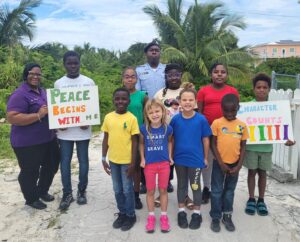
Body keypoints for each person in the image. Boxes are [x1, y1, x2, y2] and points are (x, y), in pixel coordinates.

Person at [6, 63, 60, 210]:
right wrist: (38, 115)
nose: (36, 76)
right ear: (26, 74)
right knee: (30, 171)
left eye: (38, 74)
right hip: (27, 143)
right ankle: (31, 198)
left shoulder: (42, 92)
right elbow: (12, 117)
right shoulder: (20, 94)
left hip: (48, 139)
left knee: (52, 165)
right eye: (32, 73)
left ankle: (42, 191)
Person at [244, 73, 295, 216]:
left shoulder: (276, 108)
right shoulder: (247, 108)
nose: (261, 90)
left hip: (266, 148)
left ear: (269, 89)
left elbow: (280, 127)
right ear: (254, 89)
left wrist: (287, 139)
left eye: (264, 87)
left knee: (263, 173)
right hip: (251, 147)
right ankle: (251, 198)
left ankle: (261, 200)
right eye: (258, 87)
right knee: (251, 172)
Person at [54, 51, 95, 210]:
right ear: (64, 64)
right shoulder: (59, 83)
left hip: (83, 131)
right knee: (65, 162)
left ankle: (82, 191)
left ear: (79, 63)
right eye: (69, 63)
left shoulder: (88, 82)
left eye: (75, 63)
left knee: (83, 161)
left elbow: (91, 106)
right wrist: (59, 123)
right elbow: (57, 107)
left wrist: (88, 120)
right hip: (64, 131)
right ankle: (67, 193)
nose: (72, 66)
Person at [197, 62, 239, 204]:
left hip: (228, 133)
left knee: (224, 160)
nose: (219, 74)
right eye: (216, 72)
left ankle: (221, 189)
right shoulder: (203, 91)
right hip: (208, 133)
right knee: (207, 161)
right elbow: (200, 113)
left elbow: (236, 111)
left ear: (227, 75)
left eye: (223, 72)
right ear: (211, 74)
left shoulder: (233, 91)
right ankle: (207, 188)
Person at [170, 88, 212, 230]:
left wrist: (205, 158)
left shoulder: (201, 119)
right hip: (179, 160)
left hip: (196, 160)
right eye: (184, 100)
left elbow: (206, 140)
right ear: (180, 102)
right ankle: (181, 211)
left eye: (190, 100)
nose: (187, 102)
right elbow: (172, 139)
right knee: (181, 185)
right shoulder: (175, 119)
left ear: (195, 102)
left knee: (195, 186)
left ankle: (196, 213)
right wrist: (171, 156)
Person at [101, 87, 139, 231]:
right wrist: (103, 158)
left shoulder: (132, 119)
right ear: (113, 100)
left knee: (127, 189)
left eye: (123, 98)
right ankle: (122, 213)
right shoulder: (108, 117)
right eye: (117, 98)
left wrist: (133, 162)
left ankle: (131, 215)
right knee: (117, 189)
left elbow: (135, 142)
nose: (120, 101)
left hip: (127, 162)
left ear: (128, 101)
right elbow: (106, 139)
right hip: (113, 161)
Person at [210, 94, 249, 232]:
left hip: (235, 165)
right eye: (226, 111)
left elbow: (244, 146)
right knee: (216, 191)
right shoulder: (217, 123)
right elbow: (212, 144)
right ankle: (215, 216)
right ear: (222, 109)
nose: (230, 114)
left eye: (233, 111)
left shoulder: (242, 126)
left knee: (229, 191)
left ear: (238, 108)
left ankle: (227, 215)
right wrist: (221, 163)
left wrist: (239, 166)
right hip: (219, 164)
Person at [136, 40, 166, 194]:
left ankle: (166, 180)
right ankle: (144, 181)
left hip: (163, 114)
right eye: (151, 50)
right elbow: (139, 93)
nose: (154, 52)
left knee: (164, 144)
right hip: (148, 114)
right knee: (147, 145)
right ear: (146, 53)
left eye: (157, 50)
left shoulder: (166, 69)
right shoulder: (139, 70)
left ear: (160, 53)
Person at [140, 99, 173, 233]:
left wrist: (170, 156)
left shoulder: (167, 128)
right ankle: (151, 216)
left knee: (163, 190)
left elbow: (170, 142)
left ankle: (164, 217)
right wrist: (142, 158)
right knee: (150, 191)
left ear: (163, 112)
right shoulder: (144, 129)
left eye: (157, 111)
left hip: (164, 164)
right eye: (151, 112)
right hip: (149, 165)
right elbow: (141, 144)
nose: (154, 114)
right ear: (147, 115)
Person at [122, 66, 148, 210]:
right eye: (127, 76)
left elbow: (147, 116)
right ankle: (126, 192)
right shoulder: (119, 95)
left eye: (132, 76)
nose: (130, 79)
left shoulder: (142, 96)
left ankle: (136, 195)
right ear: (123, 79)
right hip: (122, 136)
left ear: (136, 79)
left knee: (137, 168)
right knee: (124, 166)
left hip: (138, 137)